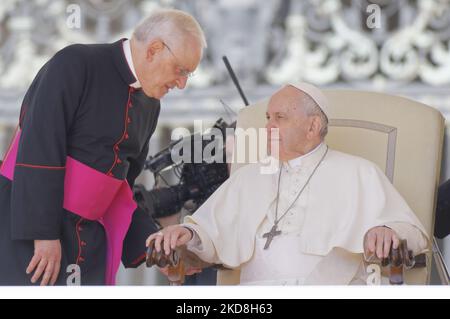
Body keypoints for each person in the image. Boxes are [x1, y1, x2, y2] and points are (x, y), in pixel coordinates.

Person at [0, 9, 206, 285]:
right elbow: (39, 147)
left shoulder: (151, 106)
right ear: (154, 49)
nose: (181, 84)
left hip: (88, 243)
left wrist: (155, 253)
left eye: (188, 75)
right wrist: (44, 235)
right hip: (30, 235)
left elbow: (121, 192)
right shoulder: (75, 63)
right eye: (180, 70)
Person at [147, 83, 429, 285]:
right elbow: (210, 234)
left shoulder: (359, 172)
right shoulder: (249, 176)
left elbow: (412, 233)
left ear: (313, 127)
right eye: (268, 118)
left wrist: (386, 230)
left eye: (280, 118)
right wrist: (186, 234)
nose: (268, 126)